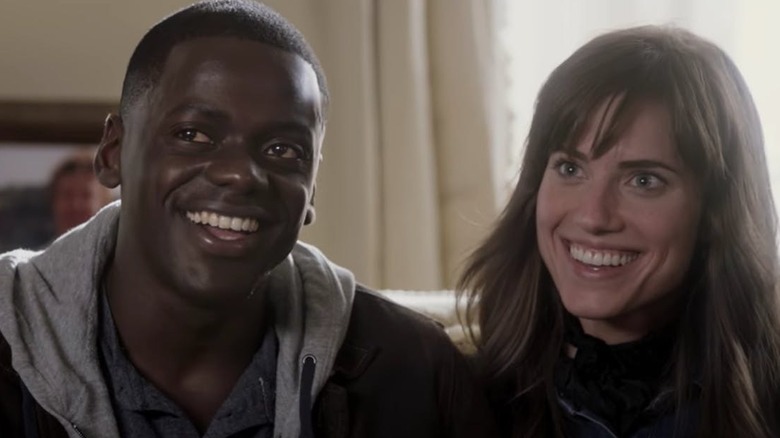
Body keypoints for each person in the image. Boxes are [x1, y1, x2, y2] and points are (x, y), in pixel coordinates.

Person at [0, 1, 497, 437]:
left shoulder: (415, 370)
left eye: (283, 149)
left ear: (311, 190)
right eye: (194, 134)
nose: (240, 174)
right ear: (113, 152)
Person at [458, 26, 780, 437]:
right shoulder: (457, 388)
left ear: (716, 212)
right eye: (570, 169)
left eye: (644, 180)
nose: (594, 217)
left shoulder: (764, 397)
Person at [49, 151, 114, 237]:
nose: (76, 205)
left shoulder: (124, 250)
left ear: (105, 204)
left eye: (86, 196)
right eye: (67, 195)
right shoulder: (37, 250)